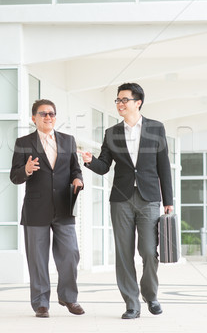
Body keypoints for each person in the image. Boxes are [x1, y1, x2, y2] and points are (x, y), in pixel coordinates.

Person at [80, 82, 173, 320]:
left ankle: (150, 295)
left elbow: (164, 165)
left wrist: (168, 200)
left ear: (138, 102)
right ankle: (132, 303)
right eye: (118, 100)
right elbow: (104, 166)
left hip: (149, 197)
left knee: (149, 251)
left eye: (124, 100)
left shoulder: (156, 128)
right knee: (123, 253)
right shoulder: (111, 133)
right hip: (120, 199)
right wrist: (90, 161)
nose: (120, 104)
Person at [10, 99, 85, 318]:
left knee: (71, 253)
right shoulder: (23, 142)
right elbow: (14, 176)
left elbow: (75, 169)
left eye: (52, 114)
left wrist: (78, 180)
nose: (48, 117)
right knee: (38, 259)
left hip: (64, 207)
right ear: (34, 118)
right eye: (43, 114)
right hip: (36, 209)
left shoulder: (68, 141)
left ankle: (68, 297)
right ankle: (41, 303)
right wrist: (25, 169)